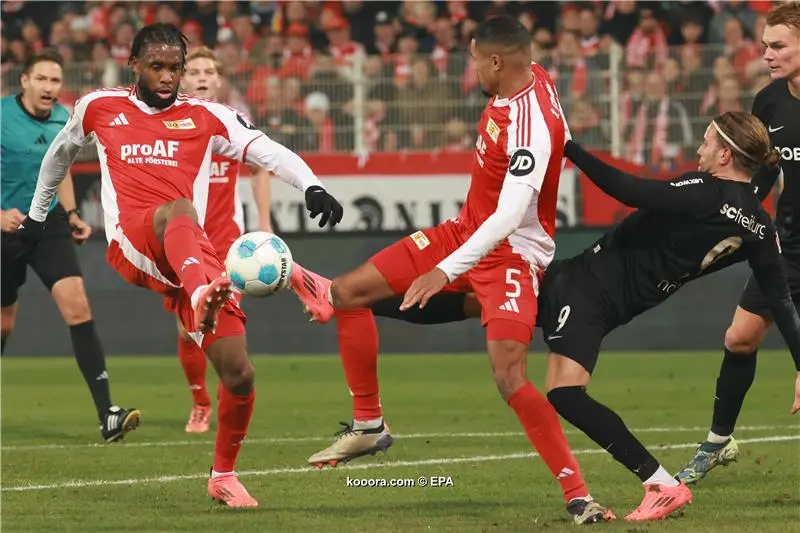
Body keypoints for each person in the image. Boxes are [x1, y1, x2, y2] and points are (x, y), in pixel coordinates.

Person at [372, 112, 800, 521]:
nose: (701, 148)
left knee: (564, 392)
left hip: (592, 290)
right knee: (481, 304)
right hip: (598, 289)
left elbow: (632, 191)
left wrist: (570, 149)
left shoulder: (706, 189)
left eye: (707, 141)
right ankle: (358, 302)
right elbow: (780, 299)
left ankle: (660, 483)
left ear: (726, 155)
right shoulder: (759, 228)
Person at [291, 15, 613, 526]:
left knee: (509, 376)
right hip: (463, 230)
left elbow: (509, 217)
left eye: (473, 60)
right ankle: (369, 423)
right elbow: (561, 132)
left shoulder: (528, 125)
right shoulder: (535, 77)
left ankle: (577, 495)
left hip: (512, 254)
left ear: (496, 61)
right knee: (348, 293)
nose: (471, 71)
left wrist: (444, 271)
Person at [16, 23, 343, 508]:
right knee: (181, 210)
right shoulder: (99, 106)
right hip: (135, 241)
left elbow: (267, 150)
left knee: (240, 374)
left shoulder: (209, 116)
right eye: (158, 67)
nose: (168, 77)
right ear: (135, 66)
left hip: (193, 256)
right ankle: (213, 292)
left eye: (176, 68)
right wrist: (38, 216)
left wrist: (312, 184)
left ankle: (223, 476)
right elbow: (59, 154)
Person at [677, 1, 800, 484]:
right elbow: (762, 173)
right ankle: (717, 443)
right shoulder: (769, 103)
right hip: (787, 249)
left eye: (778, 45)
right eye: (765, 45)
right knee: (739, 338)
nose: (766, 54)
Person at [1, 49, 140, 443]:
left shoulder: (65, 118)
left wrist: (72, 212)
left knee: (77, 304)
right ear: (25, 81)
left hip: (47, 224)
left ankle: (107, 415)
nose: (49, 87)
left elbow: (58, 170)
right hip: (5, 227)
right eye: (41, 79)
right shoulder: (1, 116)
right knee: (4, 320)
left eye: (55, 81)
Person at [177, 46, 273, 434]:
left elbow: (261, 167)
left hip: (229, 245)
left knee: (225, 329)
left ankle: (224, 404)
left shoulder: (235, 122)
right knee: (188, 329)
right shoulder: (170, 122)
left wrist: (264, 222)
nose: (202, 76)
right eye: (194, 70)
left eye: (209, 71)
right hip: (184, 241)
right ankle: (200, 402)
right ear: (182, 79)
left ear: (218, 80)